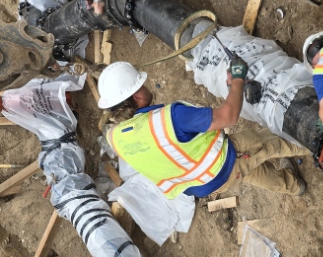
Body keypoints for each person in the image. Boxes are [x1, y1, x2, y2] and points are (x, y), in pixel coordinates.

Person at [99, 59, 308, 199]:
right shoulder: (169, 119)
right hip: (223, 164)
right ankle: (322, 144)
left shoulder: (116, 138)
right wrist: (237, 79)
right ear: (137, 96)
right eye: (141, 85)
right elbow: (228, 116)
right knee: (273, 141)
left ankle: (293, 186)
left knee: (250, 171)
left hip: (204, 184)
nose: (147, 86)